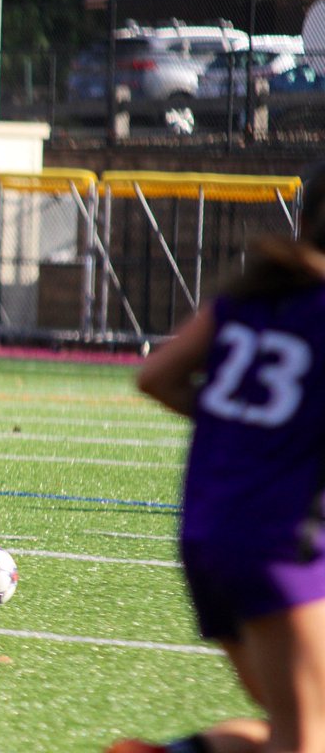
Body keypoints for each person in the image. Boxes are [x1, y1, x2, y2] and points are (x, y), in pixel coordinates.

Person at [109, 168, 325, 753]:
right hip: (280, 542)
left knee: (288, 725)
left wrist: (245, 426)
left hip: (209, 533)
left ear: (303, 221)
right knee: (306, 738)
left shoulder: (251, 290)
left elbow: (155, 377)